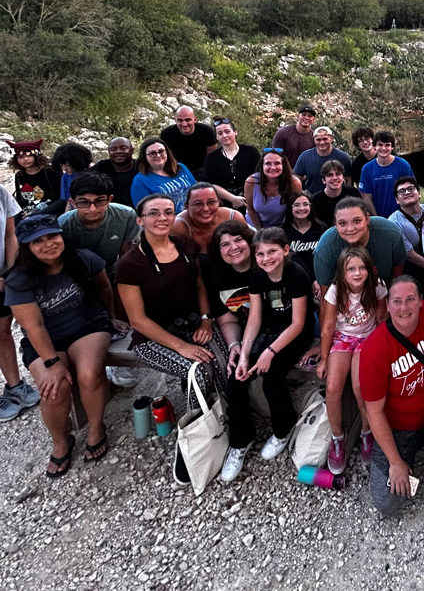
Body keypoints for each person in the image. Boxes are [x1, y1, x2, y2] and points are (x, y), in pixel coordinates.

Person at [4, 214, 117, 474]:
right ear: (26, 246)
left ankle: (97, 427)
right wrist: (52, 363)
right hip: (44, 339)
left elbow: (105, 288)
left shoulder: (82, 258)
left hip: (87, 326)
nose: (48, 244)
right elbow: (34, 326)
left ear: (61, 235)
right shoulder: (19, 279)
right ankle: (60, 441)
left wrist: (112, 318)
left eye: (52, 236)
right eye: (37, 241)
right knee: (54, 387)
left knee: (89, 374)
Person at [220, 228, 314, 482]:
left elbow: (297, 323)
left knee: (272, 377)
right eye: (260, 253)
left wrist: (270, 353)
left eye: (272, 251)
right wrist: (245, 353)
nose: (266, 258)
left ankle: (283, 428)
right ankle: (241, 441)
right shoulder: (257, 276)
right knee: (235, 377)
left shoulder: (296, 274)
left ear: (285, 250)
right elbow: (255, 317)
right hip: (269, 330)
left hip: (295, 333)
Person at [116, 194, 226, 406]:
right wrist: (181, 347)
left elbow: (199, 284)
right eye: (153, 213)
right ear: (140, 220)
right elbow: (137, 320)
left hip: (195, 325)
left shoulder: (184, 244)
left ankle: (229, 416)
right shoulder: (130, 264)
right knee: (198, 374)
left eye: (168, 212)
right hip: (153, 338)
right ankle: (199, 427)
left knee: (225, 365)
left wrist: (205, 319)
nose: (162, 218)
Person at [358, 276, 424, 517]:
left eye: (410, 300)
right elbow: (373, 411)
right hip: (400, 428)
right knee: (384, 502)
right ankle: (408, 455)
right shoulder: (375, 349)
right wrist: (395, 463)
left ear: (420, 301)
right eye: (396, 301)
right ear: (387, 305)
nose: (403, 308)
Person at [309, 247, 386, 475]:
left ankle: (366, 432)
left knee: (360, 386)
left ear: (369, 269)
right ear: (342, 273)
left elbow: (382, 318)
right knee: (333, 387)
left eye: (362, 267)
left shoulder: (377, 285)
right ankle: (337, 438)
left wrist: (382, 352)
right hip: (342, 339)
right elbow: (329, 327)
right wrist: (324, 359)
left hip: (367, 338)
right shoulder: (335, 291)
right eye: (351, 268)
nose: (357, 273)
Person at [0, 184, 39, 423]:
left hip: (3, 276)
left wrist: (9, 270)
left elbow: (9, 233)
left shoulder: (1, 193)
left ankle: (14, 385)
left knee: (3, 332)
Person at [313, 197, 406, 293]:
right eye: (342, 223)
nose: (350, 229)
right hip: (343, 299)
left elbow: (397, 274)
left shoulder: (390, 233)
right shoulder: (325, 248)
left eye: (357, 221)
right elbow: (326, 296)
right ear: (335, 225)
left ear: (367, 219)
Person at [202, 221, 255, 379]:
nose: (233, 247)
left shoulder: (265, 267)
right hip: (244, 331)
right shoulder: (217, 277)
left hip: (274, 329)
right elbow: (227, 320)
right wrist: (234, 345)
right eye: (225, 244)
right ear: (218, 251)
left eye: (238, 240)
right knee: (232, 371)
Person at [58, 172, 138, 275]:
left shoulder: (126, 215)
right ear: (73, 203)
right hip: (78, 274)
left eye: (99, 201)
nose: (92, 209)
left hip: (114, 271)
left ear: (109, 199)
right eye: (84, 202)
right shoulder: (64, 223)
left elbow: (126, 256)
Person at [170, 183, 246, 255]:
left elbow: (249, 250)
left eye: (211, 202)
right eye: (198, 204)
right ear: (187, 206)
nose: (205, 209)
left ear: (218, 203)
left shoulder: (234, 218)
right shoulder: (178, 226)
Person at [202, 116, 259, 209]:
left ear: (235, 132)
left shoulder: (251, 152)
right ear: (216, 137)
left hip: (253, 201)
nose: (224, 135)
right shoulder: (212, 158)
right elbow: (212, 184)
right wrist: (233, 199)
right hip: (224, 204)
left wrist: (247, 198)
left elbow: (259, 176)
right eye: (220, 133)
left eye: (227, 131)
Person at [359, 130, 416, 219]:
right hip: (379, 218)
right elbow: (366, 197)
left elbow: (412, 191)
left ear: (392, 147)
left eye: (387, 145)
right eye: (380, 144)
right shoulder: (367, 169)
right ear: (374, 146)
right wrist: (377, 219)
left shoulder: (403, 165)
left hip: (402, 217)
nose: (383, 148)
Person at [130, 138, 197, 213]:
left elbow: (196, 190)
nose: (158, 155)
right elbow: (144, 211)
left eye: (161, 151)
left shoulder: (181, 168)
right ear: (145, 157)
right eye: (152, 153)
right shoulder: (140, 181)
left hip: (194, 215)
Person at [244, 149, 302, 229]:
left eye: (277, 163)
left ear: (283, 165)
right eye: (268, 163)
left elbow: (296, 210)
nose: (273, 167)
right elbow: (250, 209)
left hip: (282, 227)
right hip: (255, 227)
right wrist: (260, 231)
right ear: (262, 165)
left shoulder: (294, 183)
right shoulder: (251, 182)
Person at [6, 138, 61, 217]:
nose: (25, 159)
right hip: (26, 213)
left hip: (50, 213)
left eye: (29, 156)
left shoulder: (50, 172)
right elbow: (20, 200)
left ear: (36, 156)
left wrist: (37, 213)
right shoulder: (19, 176)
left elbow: (60, 199)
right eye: (21, 157)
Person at [159, 106, 218, 177]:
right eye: (180, 120)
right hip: (178, 171)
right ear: (175, 121)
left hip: (202, 169)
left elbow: (212, 158)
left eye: (188, 120)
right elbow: (166, 158)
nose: (184, 124)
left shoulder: (207, 132)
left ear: (195, 120)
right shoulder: (167, 134)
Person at [293, 125, 352, 194]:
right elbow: (296, 178)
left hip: (337, 197)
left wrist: (348, 196)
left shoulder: (343, 157)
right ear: (314, 140)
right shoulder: (305, 156)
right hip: (312, 197)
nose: (322, 142)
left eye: (325, 139)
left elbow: (349, 180)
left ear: (331, 139)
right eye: (318, 139)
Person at [387, 176, 424, 274]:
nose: (407, 193)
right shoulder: (394, 221)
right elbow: (410, 255)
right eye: (402, 191)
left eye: (410, 189)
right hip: (412, 269)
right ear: (397, 200)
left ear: (419, 193)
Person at [283, 191, 326, 276]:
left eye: (305, 204)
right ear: (290, 208)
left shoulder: (321, 229)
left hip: (319, 278)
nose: (302, 208)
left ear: (310, 206)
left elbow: (326, 258)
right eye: (297, 205)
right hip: (293, 278)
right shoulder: (283, 232)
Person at [310, 160, 361, 228]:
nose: (334, 178)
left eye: (338, 174)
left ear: (343, 178)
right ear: (323, 180)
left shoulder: (353, 193)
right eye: (330, 175)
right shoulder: (315, 200)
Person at [91, 136, 137, 207]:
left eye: (123, 148)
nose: (118, 151)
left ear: (132, 150)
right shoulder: (101, 167)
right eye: (113, 149)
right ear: (109, 152)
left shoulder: (141, 167)